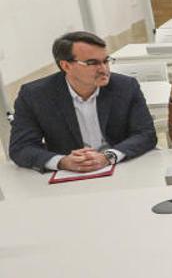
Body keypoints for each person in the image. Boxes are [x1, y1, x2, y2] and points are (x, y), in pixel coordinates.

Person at [8, 31, 157, 172]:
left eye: (106, 61)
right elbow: (21, 147)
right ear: (66, 66)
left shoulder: (125, 87)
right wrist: (62, 162)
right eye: (93, 63)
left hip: (123, 168)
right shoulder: (35, 95)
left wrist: (108, 157)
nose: (103, 69)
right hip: (70, 177)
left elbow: (146, 134)